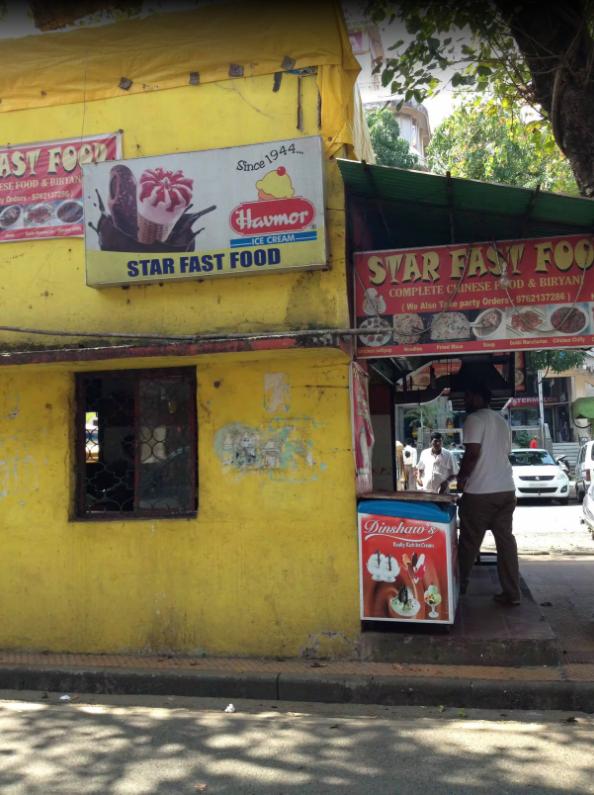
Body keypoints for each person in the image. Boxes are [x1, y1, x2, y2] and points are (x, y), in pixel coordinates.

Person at [457, 382, 520, 605]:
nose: (464, 401)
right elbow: (503, 453)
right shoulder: (502, 422)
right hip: (506, 489)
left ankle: (459, 586)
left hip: (481, 491)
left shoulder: (474, 419)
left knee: (468, 540)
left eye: (467, 396)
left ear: (477, 398)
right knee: (505, 542)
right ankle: (512, 593)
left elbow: (472, 453)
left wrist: (461, 478)